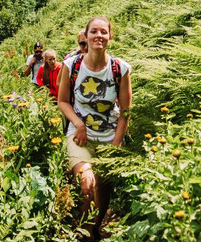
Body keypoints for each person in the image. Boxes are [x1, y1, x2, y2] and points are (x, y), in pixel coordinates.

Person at [57, 16, 132, 239]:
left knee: (103, 189)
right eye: (94, 32)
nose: (98, 36)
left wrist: (117, 143)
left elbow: (126, 111)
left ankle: (95, 226)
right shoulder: (72, 66)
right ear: (86, 36)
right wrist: (78, 124)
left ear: (110, 36)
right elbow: (62, 101)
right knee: (87, 181)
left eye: (103, 32)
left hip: (109, 136)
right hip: (80, 136)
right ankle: (84, 229)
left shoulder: (121, 69)